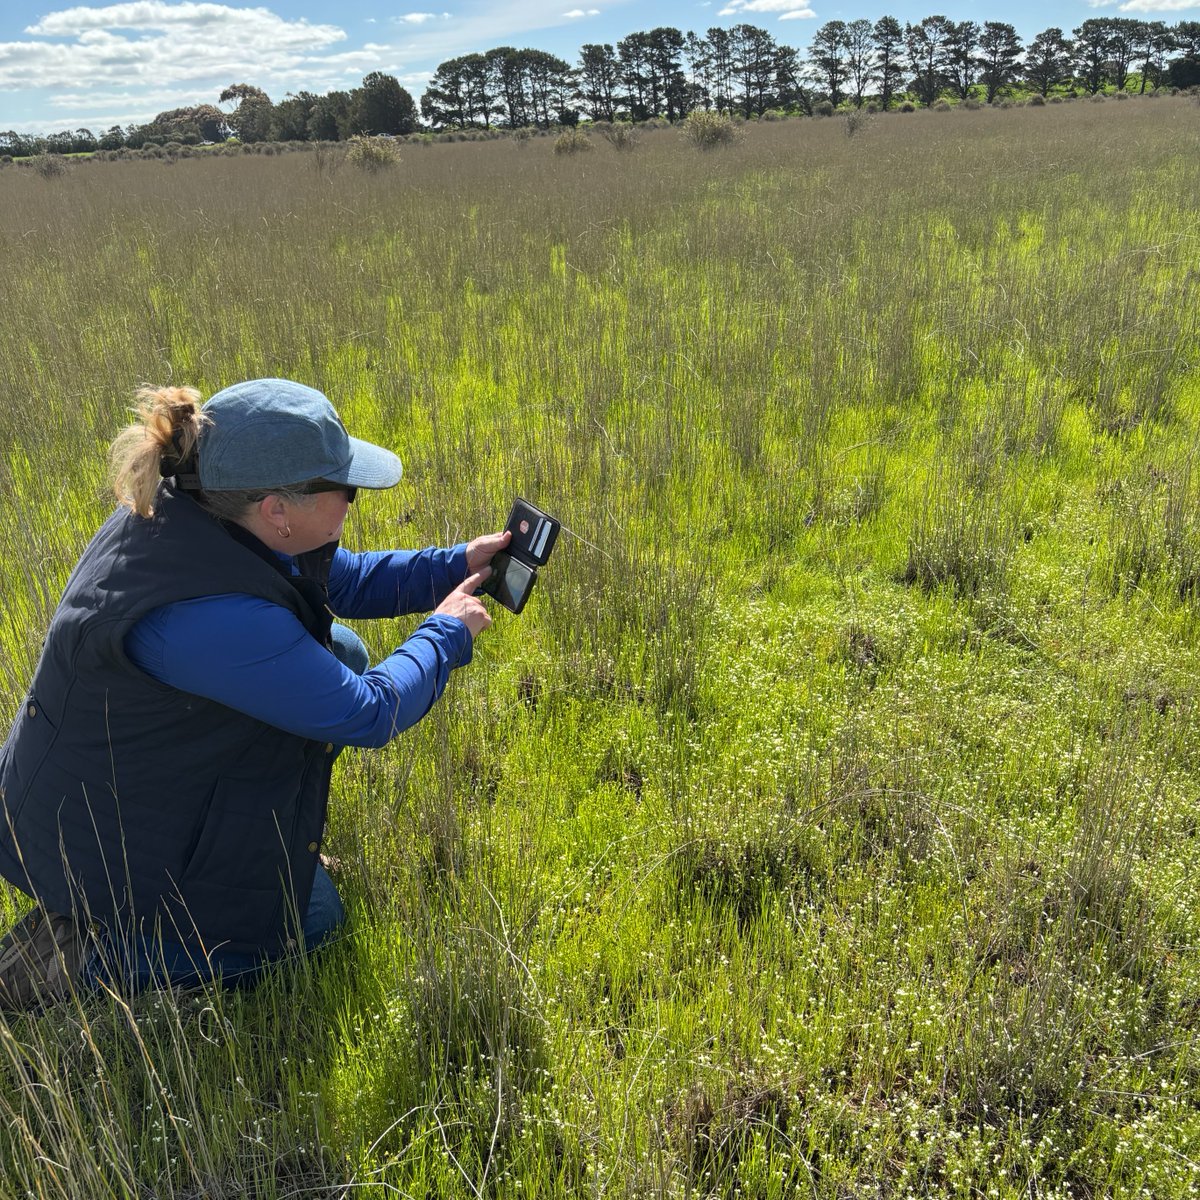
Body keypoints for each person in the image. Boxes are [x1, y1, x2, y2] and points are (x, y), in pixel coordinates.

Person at [0, 378, 509, 1005]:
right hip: (93, 834)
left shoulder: (201, 510)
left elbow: (339, 578)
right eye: (344, 489)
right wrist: (446, 634)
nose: (353, 501)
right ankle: (72, 961)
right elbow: (367, 712)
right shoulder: (217, 618)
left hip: (118, 781)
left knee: (339, 651)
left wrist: (455, 563)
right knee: (313, 922)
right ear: (277, 509)